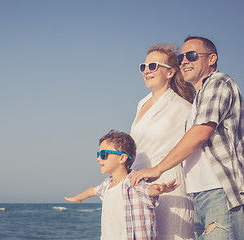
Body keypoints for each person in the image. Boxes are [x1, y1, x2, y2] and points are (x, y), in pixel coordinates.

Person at [130, 36, 244, 240]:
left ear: (211, 59)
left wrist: (157, 169)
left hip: (220, 191)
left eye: (191, 55)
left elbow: (199, 133)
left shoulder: (218, 83)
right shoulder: (199, 98)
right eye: (182, 56)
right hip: (200, 195)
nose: (184, 60)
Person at [130, 44, 196, 239]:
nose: (146, 71)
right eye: (144, 66)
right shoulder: (141, 103)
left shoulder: (183, 107)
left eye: (153, 66)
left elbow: (195, 143)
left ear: (170, 73)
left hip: (170, 184)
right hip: (140, 185)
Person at [65, 130, 179, 240]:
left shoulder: (132, 182)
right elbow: (92, 191)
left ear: (122, 158)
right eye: (98, 154)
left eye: (103, 154)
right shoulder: (106, 185)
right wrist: (76, 198)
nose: (98, 158)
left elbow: (148, 190)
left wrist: (160, 189)